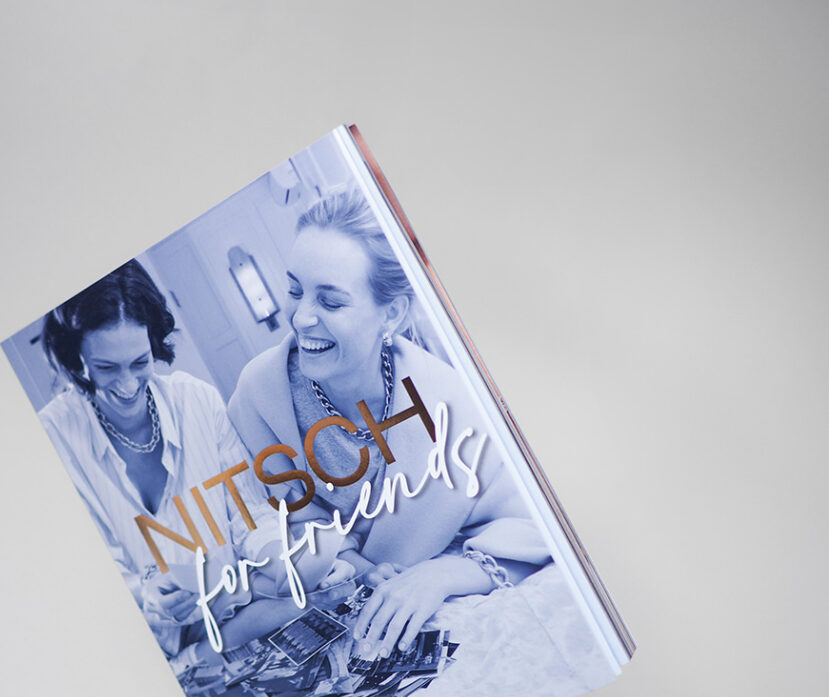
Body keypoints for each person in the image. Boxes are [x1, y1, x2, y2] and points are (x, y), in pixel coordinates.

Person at [228, 190, 553, 659]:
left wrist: (440, 575)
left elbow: (533, 521)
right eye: (296, 290)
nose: (300, 317)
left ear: (393, 314)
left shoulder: (450, 401)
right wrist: (353, 563)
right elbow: (272, 519)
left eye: (330, 302)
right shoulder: (259, 392)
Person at [39, 259, 330, 664]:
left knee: (314, 597)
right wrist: (146, 596)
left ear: (154, 344)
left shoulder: (196, 399)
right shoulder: (53, 436)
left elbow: (249, 517)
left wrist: (286, 562)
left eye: (140, 362)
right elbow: (81, 585)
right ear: (76, 360)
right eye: (105, 368)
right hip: (145, 652)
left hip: (237, 614)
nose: (127, 385)